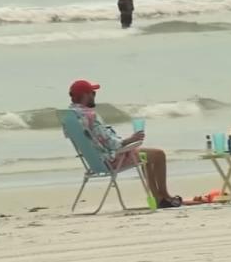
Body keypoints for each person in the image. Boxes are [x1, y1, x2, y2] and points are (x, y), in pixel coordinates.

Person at [66, 80, 181, 208]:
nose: (94, 96)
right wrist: (132, 139)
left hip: (96, 161)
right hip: (112, 159)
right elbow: (112, 144)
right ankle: (165, 195)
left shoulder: (72, 116)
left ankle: (158, 198)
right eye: (93, 93)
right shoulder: (90, 116)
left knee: (147, 156)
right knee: (159, 155)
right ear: (85, 95)